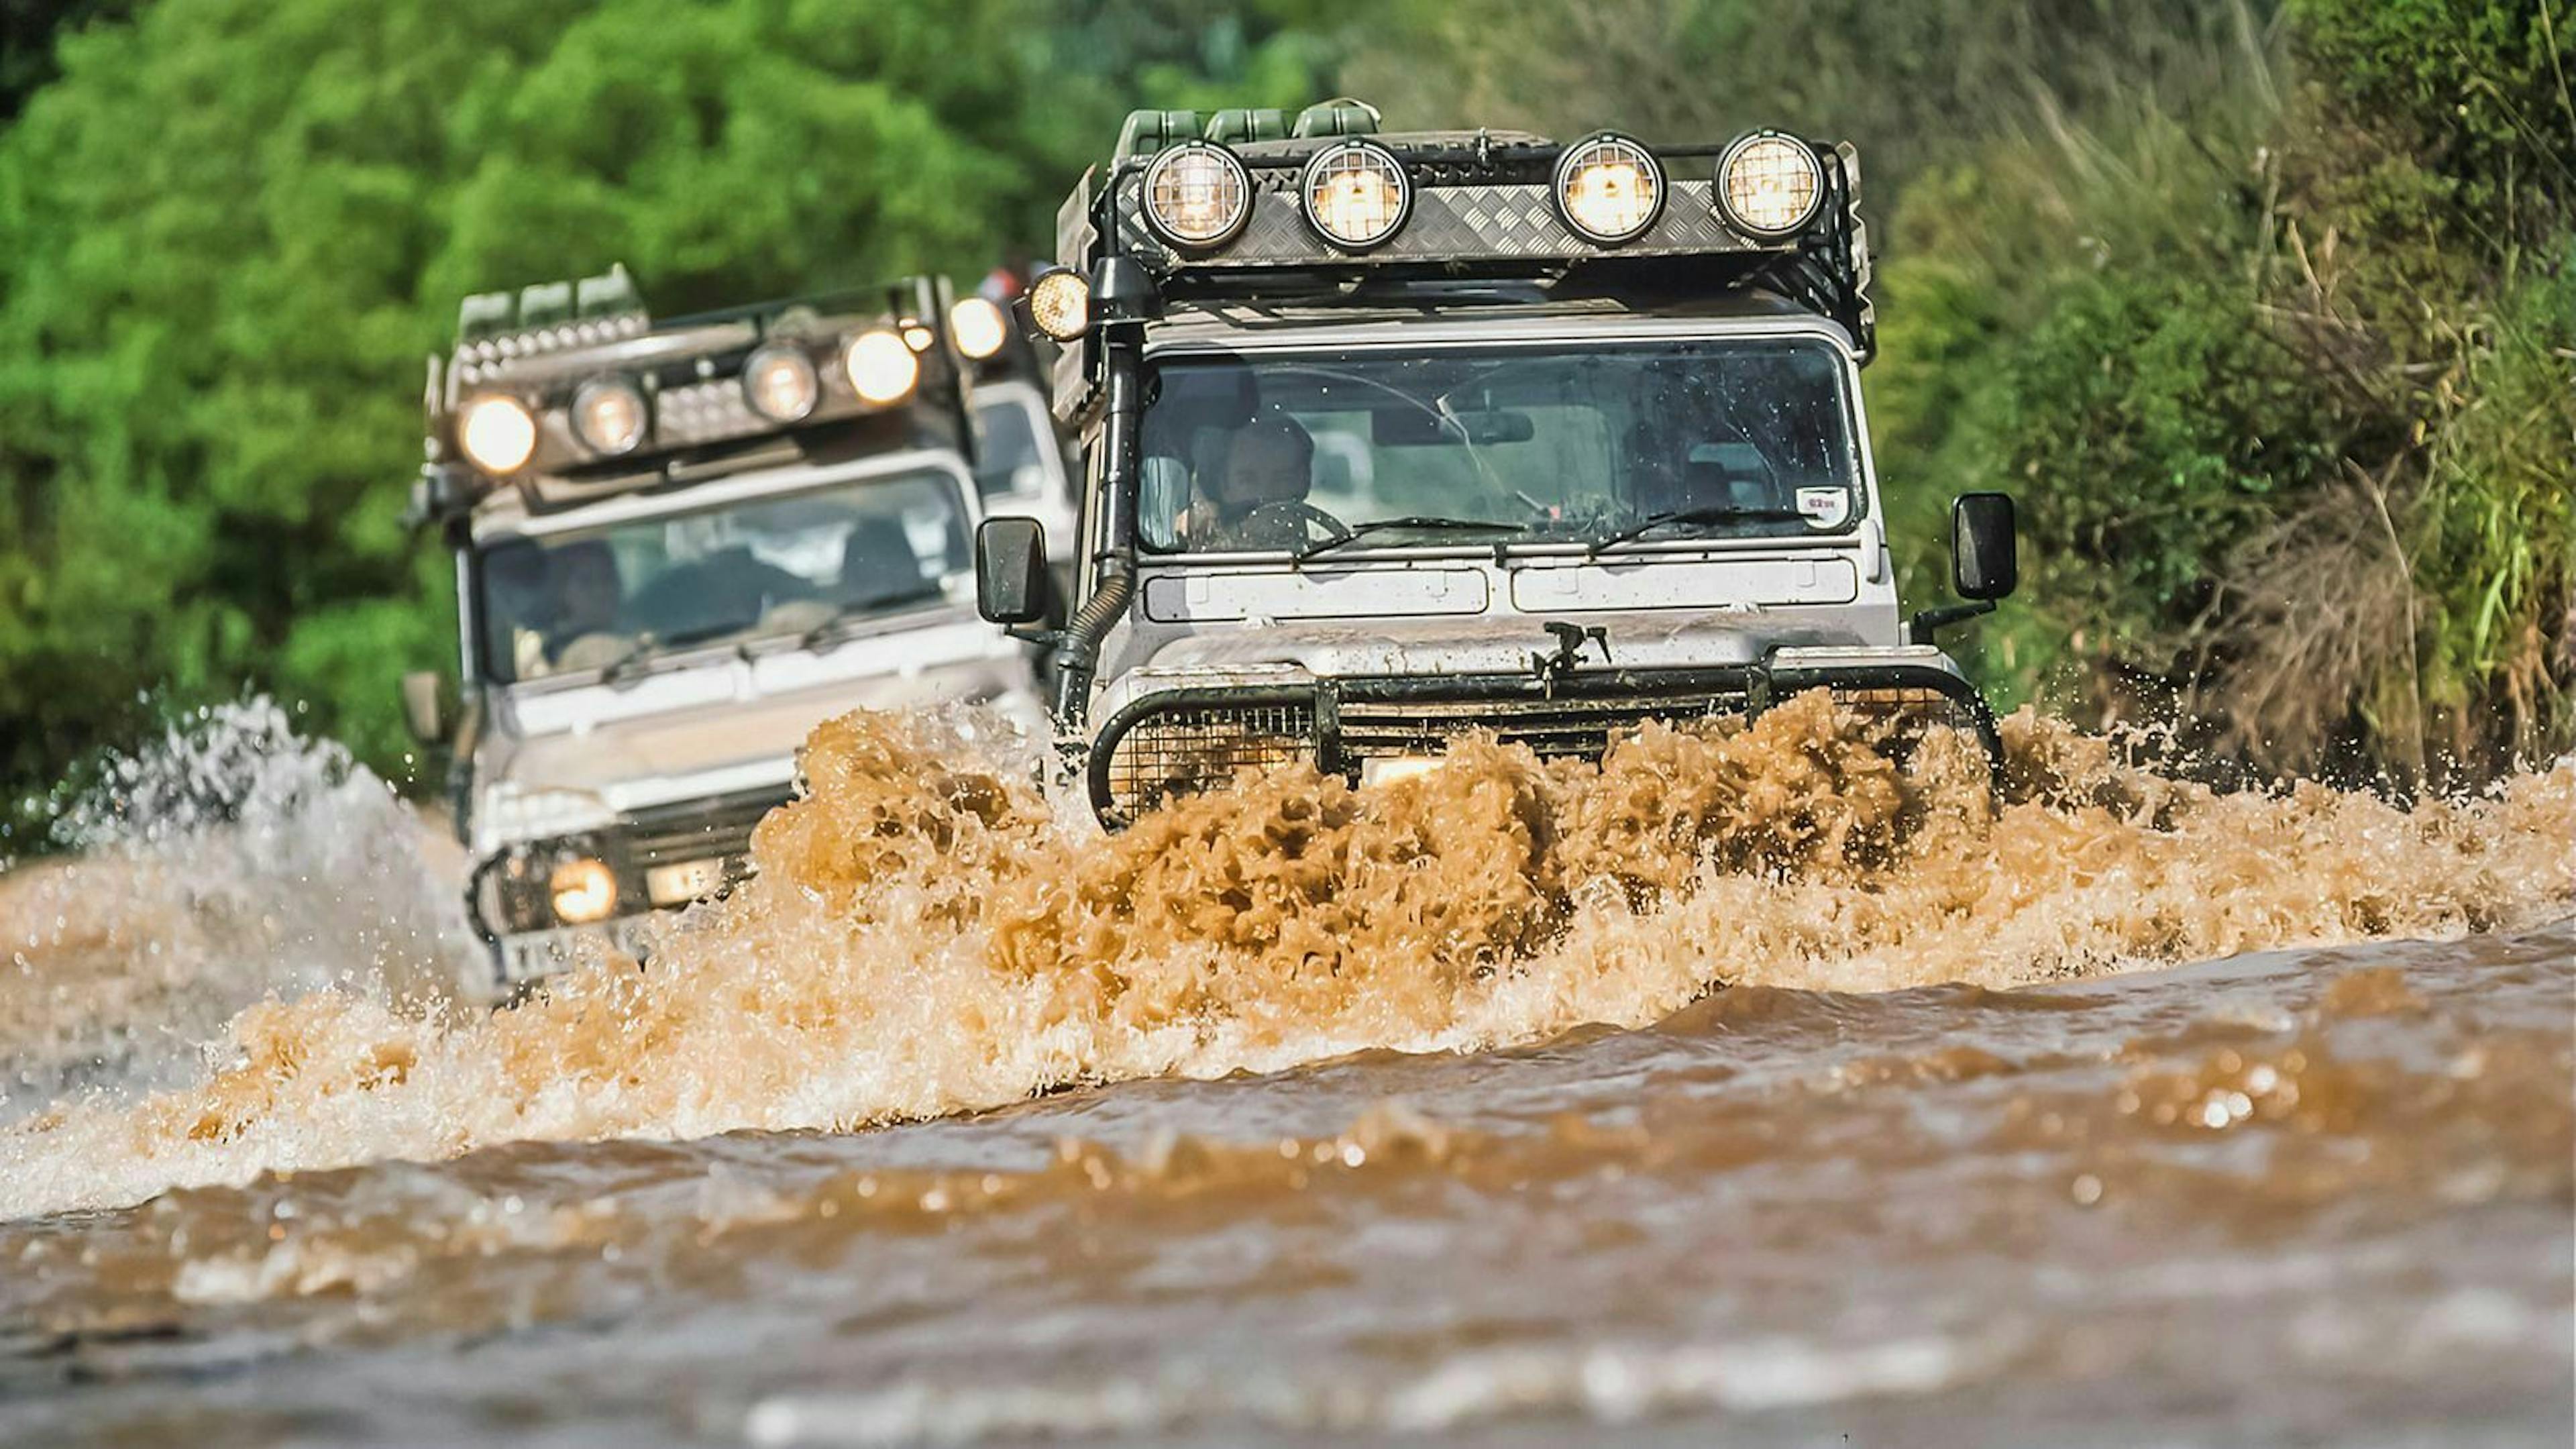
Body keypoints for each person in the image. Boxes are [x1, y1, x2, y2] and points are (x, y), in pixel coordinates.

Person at [1181, 411, 1324, 551]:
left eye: (1283, 479)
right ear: (1225, 487)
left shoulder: (1335, 560)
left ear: (1305, 483)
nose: (1266, 493)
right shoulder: (1199, 563)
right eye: (1248, 481)